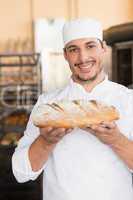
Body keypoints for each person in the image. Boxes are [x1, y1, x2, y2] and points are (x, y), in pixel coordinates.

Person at [12, 18, 133, 200]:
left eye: (90, 46)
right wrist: (46, 142)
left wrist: (116, 140)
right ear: (65, 55)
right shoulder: (47, 105)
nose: (83, 58)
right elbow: (21, 172)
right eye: (73, 49)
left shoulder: (128, 100)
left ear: (103, 48)